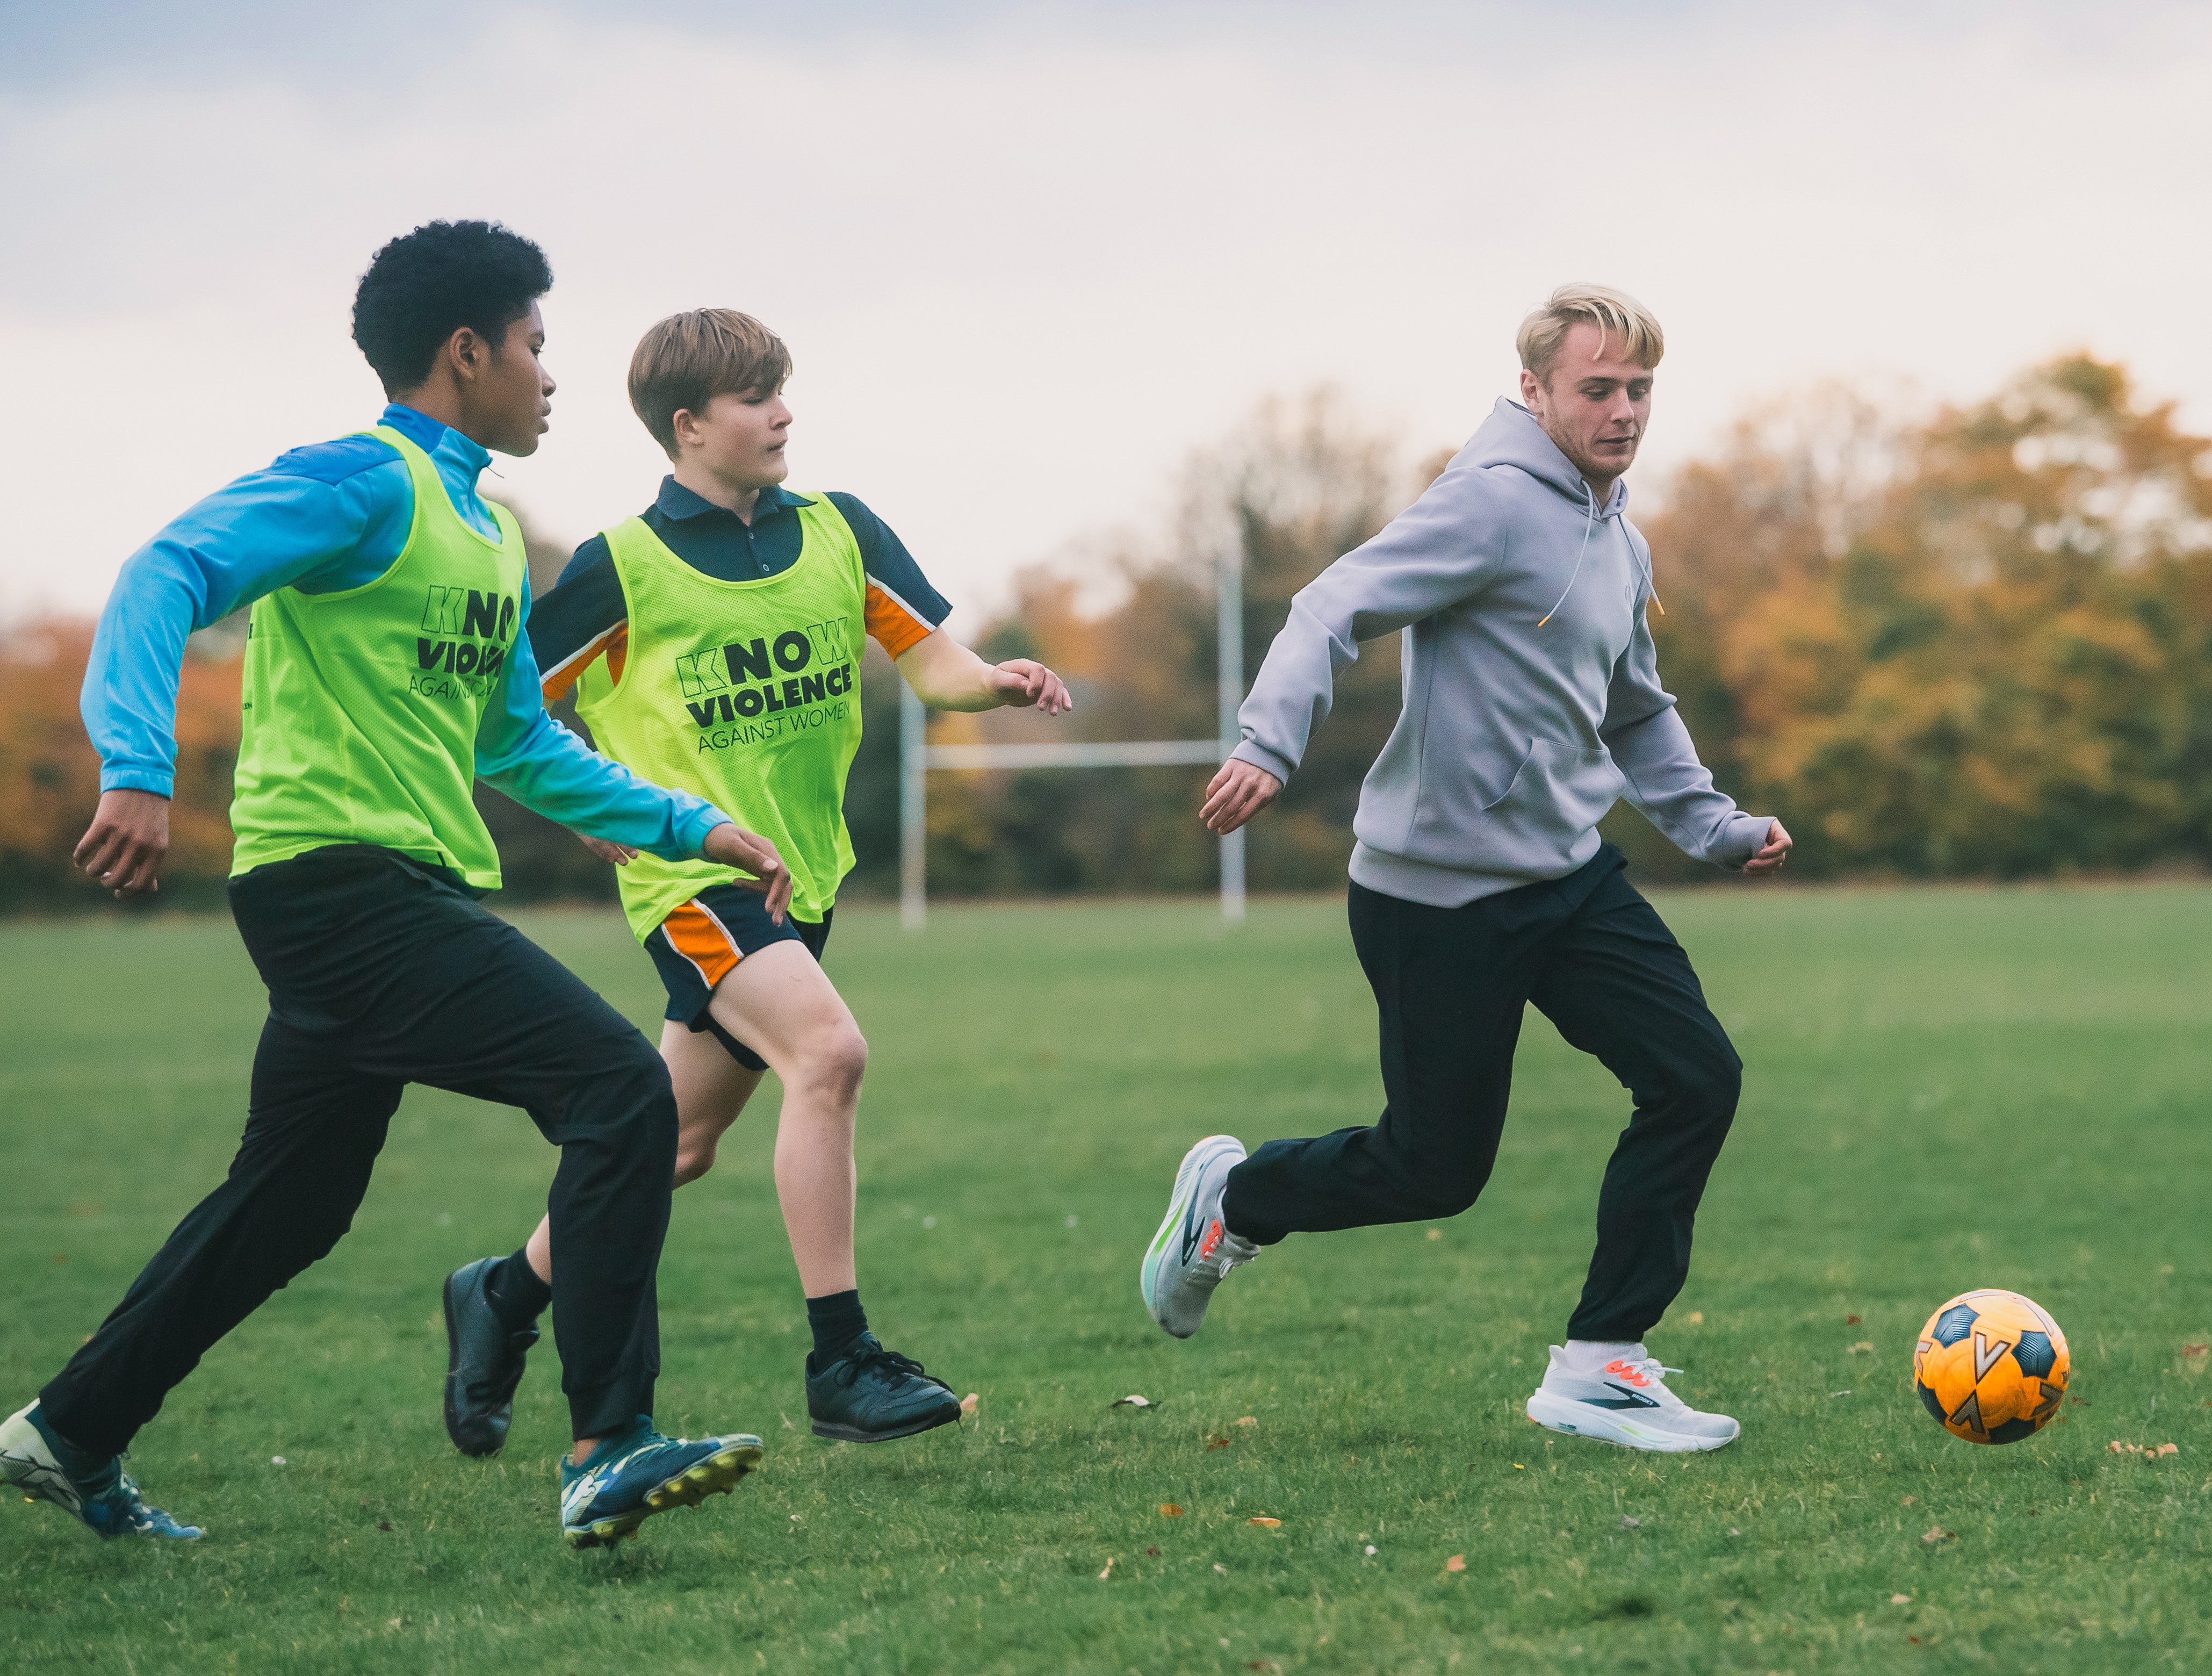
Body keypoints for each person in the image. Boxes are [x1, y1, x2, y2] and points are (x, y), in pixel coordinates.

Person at [0, 222, 784, 1549]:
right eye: (536, 346)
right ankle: (607, 1445)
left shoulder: (483, 529)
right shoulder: (360, 483)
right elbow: (164, 574)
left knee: (293, 1205)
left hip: (396, 891)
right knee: (614, 1092)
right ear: (465, 352)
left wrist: (682, 824)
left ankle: (66, 1432)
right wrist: (137, 765)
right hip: (338, 887)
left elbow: (515, 744)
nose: (550, 376)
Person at [1141, 284, 1793, 1454]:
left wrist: (1714, 827)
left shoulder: (1619, 538)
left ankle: (1599, 1364)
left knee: (1696, 1078)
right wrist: (1265, 744)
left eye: (1639, 389)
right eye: (1597, 389)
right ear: (1534, 391)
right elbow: (1330, 604)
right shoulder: (1489, 507)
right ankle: (1235, 1201)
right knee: (1432, 1169)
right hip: (1432, 895)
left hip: (1566, 878)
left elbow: (1636, 708)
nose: (1624, 410)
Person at [437, 308, 1071, 1460]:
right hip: (694, 883)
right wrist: (595, 807)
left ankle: (500, 1297)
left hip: (803, 885)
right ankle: (842, 1360)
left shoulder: (841, 529)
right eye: (754, 396)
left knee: (670, 1147)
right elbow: (500, 713)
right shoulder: (618, 565)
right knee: (827, 1056)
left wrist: (997, 682)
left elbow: (932, 665)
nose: (782, 412)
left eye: (781, 388)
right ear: (687, 427)